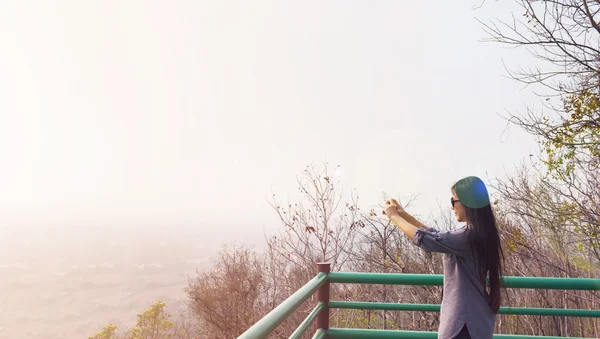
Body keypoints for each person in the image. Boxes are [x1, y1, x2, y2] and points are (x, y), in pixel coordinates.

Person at [382, 176, 504, 339]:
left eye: (454, 201)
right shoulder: (482, 233)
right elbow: (434, 235)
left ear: (467, 203)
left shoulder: (467, 236)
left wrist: (394, 217)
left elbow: (425, 239)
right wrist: (404, 215)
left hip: (463, 323)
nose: (452, 207)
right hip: (478, 320)